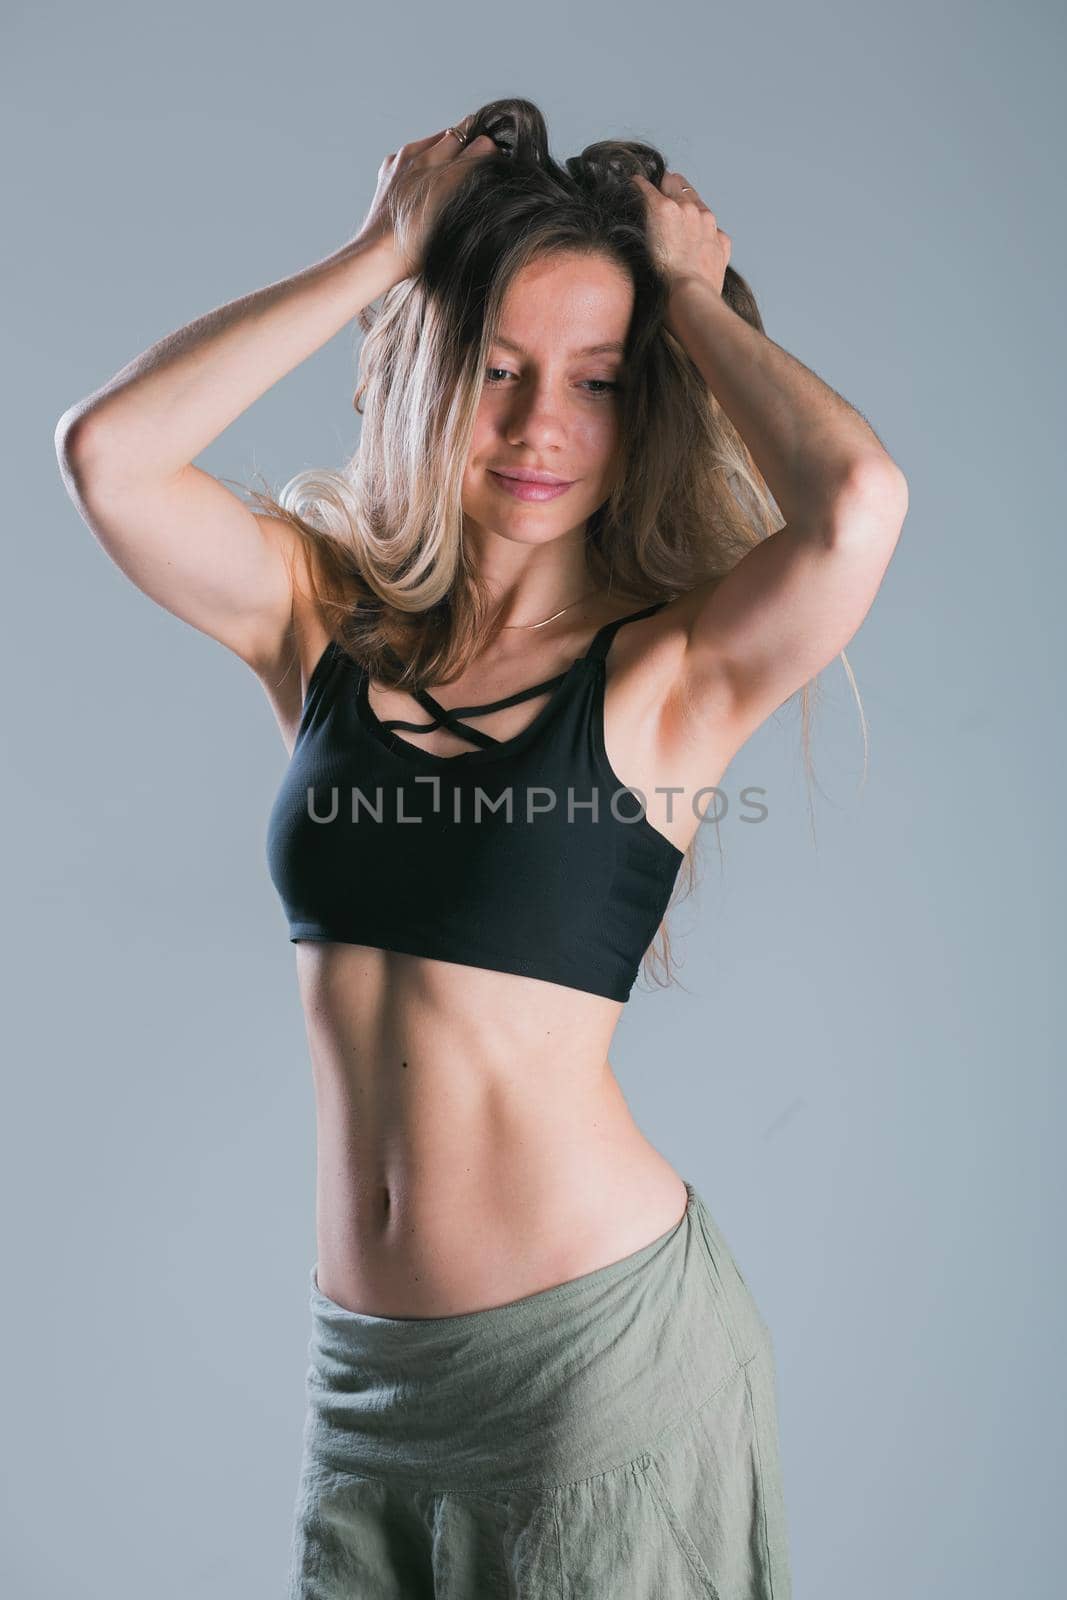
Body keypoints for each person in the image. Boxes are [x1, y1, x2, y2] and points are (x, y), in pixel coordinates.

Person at [56, 96, 907, 1600]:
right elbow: (111, 454)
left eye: (595, 380)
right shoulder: (318, 624)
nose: (538, 429)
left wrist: (692, 299)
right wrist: (379, 253)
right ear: (433, 368)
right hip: (372, 1388)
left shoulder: (667, 674)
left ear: (644, 401)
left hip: (592, 1370)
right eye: (500, 370)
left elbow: (856, 510)